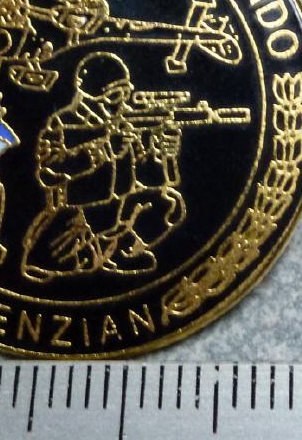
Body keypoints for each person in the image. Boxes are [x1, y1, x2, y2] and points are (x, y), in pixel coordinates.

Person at [20, 52, 186, 282]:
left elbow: (145, 174)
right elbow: (49, 170)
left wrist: (161, 152)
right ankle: (93, 253)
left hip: (121, 204)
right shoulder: (63, 123)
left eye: (125, 93)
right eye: (115, 95)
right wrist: (103, 150)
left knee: (167, 203)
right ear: (91, 95)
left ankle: (119, 252)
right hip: (79, 209)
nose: (122, 102)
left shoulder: (125, 121)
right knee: (42, 263)